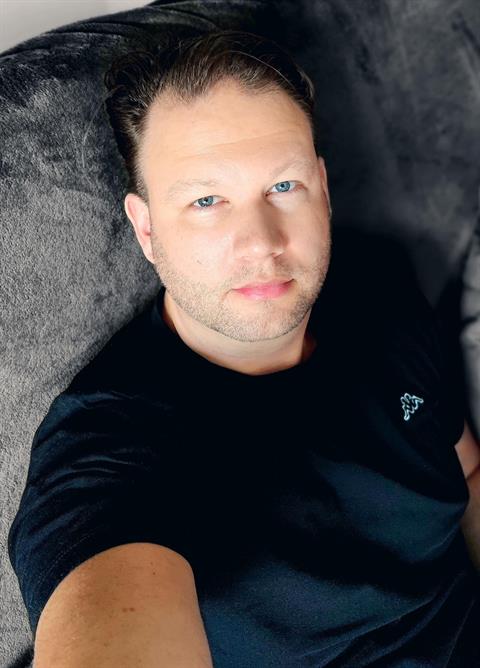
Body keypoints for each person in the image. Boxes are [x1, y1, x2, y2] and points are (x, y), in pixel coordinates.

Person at [8, 29, 480, 667]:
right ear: (147, 229)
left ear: (322, 189)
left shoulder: (380, 290)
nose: (261, 242)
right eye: (207, 200)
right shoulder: (108, 446)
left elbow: (467, 473)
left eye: (283, 187)